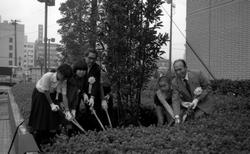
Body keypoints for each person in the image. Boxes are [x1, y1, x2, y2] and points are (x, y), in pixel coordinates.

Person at [28, 63, 73, 145]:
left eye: (66, 78)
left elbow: (64, 95)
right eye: (63, 76)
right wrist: (52, 104)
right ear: (59, 72)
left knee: (52, 117)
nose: (63, 79)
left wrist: (67, 111)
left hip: (51, 95)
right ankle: (37, 136)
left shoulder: (64, 80)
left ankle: (48, 139)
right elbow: (45, 91)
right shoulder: (48, 76)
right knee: (41, 116)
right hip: (40, 94)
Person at [171, 59, 214, 124]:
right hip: (189, 107)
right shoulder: (174, 82)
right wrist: (176, 116)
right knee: (181, 120)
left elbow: (208, 88)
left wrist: (197, 99)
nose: (178, 72)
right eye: (176, 70)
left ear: (186, 68)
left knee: (197, 119)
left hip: (203, 103)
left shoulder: (198, 74)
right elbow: (175, 99)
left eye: (180, 69)